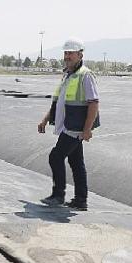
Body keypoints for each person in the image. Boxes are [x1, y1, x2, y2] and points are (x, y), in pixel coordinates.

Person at [38, 37, 100, 211]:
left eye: (70, 53)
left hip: (75, 127)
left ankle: (58, 195)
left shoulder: (85, 75)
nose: (67, 56)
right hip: (68, 125)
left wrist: (87, 129)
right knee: (76, 162)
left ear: (80, 55)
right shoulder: (68, 75)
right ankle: (81, 200)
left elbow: (93, 103)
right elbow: (59, 101)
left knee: (55, 156)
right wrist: (45, 119)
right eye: (65, 53)